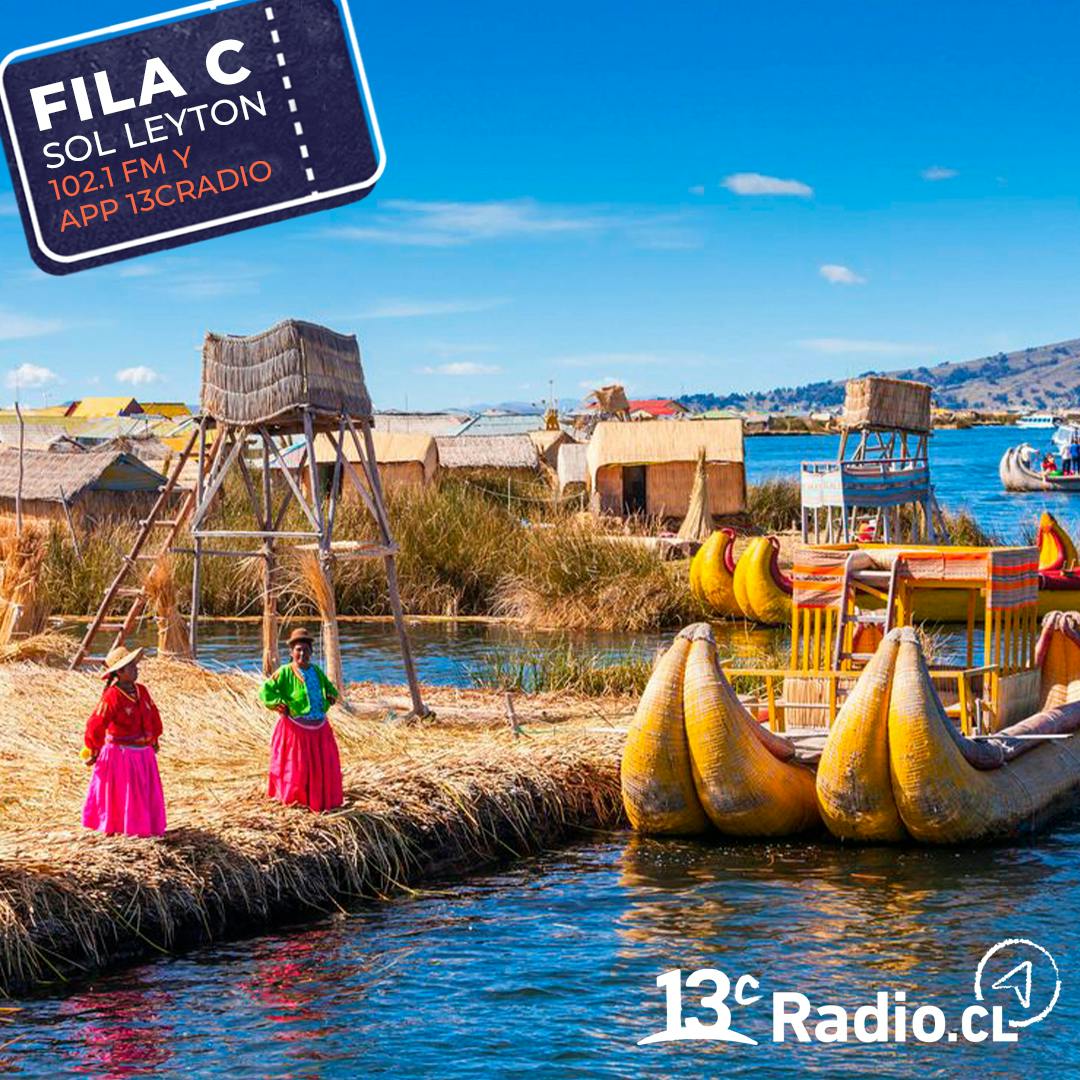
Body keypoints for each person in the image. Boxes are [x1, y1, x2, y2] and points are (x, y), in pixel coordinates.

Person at [81, 646, 167, 837]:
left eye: (135, 665)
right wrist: (93, 749)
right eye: (131, 666)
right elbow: (96, 723)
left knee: (142, 793)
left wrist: (154, 738)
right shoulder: (112, 696)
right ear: (119, 672)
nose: (136, 669)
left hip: (143, 754)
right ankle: (121, 828)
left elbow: (153, 715)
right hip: (121, 755)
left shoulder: (142, 691)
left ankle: (144, 828)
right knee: (124, 794)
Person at [259, 627, 343, 811]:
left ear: (312, 652)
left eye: (306, 649)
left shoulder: (316, 671)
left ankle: (318, 799)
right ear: (291, 652)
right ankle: (296, 800)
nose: (302, 653)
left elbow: (331, 689)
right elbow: (266, 690)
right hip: (296, 729)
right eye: (298, 649)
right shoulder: (285, 672)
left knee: (321, 766)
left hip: (319, 727)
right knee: (296, 766)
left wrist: (329, 699)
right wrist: (279, 704)